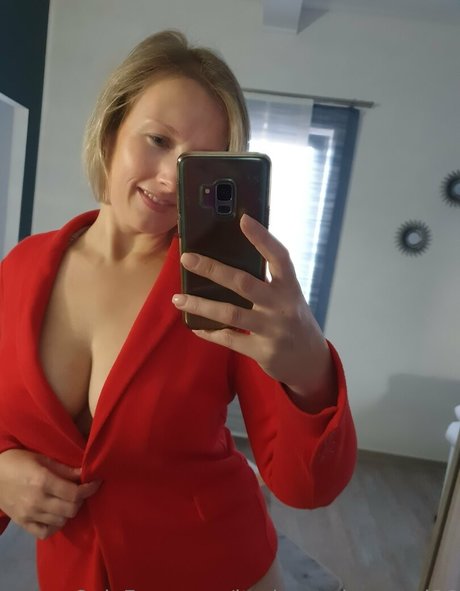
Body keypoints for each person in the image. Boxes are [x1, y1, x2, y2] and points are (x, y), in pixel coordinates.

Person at [0, 30, 357, 591]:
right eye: (158, 140)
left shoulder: (227, 287)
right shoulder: (21, 267)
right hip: (72, 573)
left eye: (197, 163)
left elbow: (306, 486)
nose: (170, 178)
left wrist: (311, 372)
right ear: (111, 129)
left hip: (216, 569)